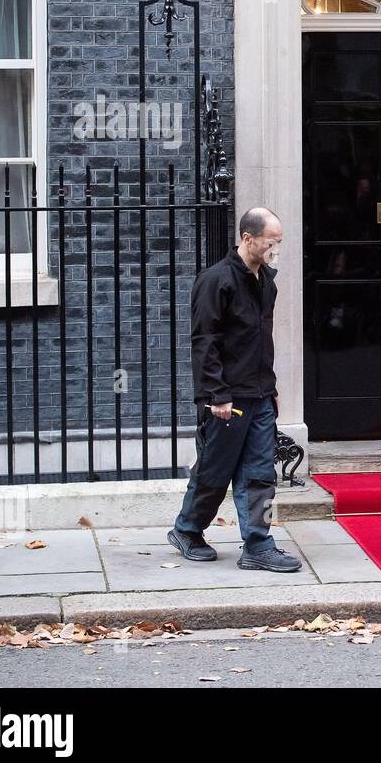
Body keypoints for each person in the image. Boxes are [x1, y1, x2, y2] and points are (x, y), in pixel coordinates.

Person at [168, 207, 302, 572]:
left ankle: (258, 544)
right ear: (247, 238)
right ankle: (187, 529)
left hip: (258, 394)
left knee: (260, 471)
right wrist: (217, 395)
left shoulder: (266, 281)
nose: (276, 247)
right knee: (215, 468)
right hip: (227, 397)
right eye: (271, 241)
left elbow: (260, 340)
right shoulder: (216, 280)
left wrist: (269, 386)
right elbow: (205, 342)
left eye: (279, 241)